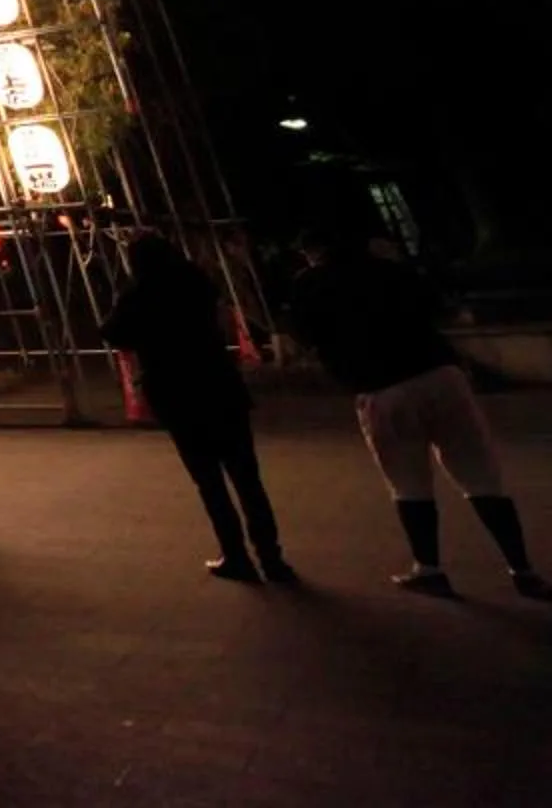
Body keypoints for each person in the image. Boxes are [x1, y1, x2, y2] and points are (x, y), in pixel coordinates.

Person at [288, 230, 546, 599]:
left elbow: (303, 337)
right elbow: (437, 306)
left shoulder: (310, 284)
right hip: (439, 375)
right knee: (481, 476)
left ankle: (429, 567)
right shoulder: (390, 271)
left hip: (381, 388)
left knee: (409, 484)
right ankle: (522, 569)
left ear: (314, 250)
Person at [102, 234, 290, 584]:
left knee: (210, 482)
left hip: (178, 395)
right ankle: (272, 558)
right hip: (220, 385)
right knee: (248, 479)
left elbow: (113, 333)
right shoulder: (195, 281)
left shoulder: (139, 295)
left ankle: (236, 556)